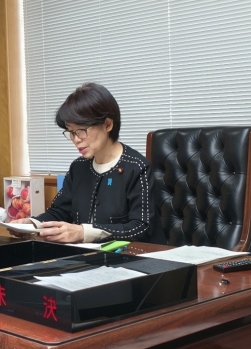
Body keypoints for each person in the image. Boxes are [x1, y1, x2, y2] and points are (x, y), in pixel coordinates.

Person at [12, 82, 164, 244]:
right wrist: (32, 224)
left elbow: (141, 228)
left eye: (82, 130)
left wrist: (83, 232)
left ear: (108, 124)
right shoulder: (78, 167)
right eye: (71, 132)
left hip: (129, 256)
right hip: (86, 255)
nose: (76, 139)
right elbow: (60, 211)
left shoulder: (136, 167)